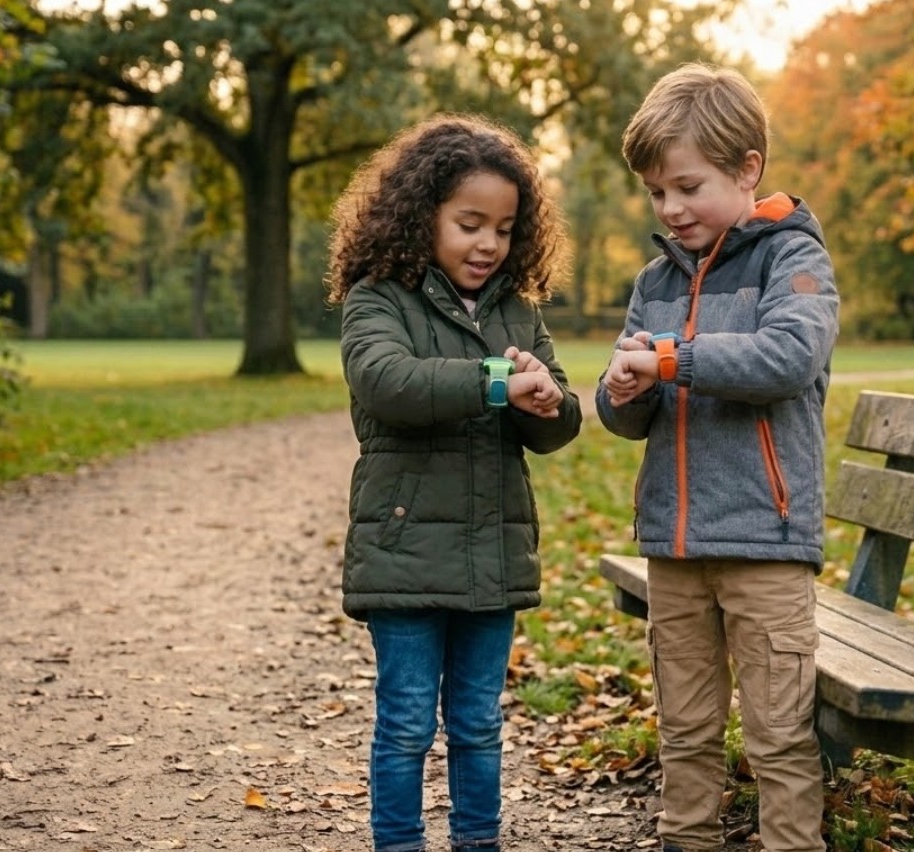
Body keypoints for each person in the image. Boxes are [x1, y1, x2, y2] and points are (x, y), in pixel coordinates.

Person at [595, 63, 839, 852]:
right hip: (673, 544)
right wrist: (624, 389)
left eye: (687, 187)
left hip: (764, 545)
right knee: (686, 729)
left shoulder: (792, 260)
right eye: (657, 192)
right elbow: (623, 410)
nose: (671, 208)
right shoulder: (654, 280)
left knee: (777, 738)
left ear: (746, 170)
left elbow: (786, 358)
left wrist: (669, 359)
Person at [325, 114, 582, 852]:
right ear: (421, 214)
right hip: (404, 549)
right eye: (469, 223)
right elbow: (388, 383)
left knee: (478, 722)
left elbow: (558, 422)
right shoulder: (378, 296)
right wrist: (499, 379)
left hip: (491, 556)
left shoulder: (516, 309)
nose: (487, 244)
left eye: (502, 229)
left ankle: (479, 843)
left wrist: (546, 399)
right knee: (405, 720)